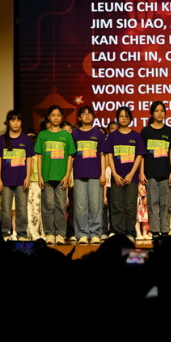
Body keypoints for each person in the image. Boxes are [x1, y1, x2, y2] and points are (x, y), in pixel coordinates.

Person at [34, 105, 75, 244]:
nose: (56, 118)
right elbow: (39, 156)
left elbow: (70, 156)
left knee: (61, 206)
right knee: (48, 206)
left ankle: (60, 234)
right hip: (46, 176)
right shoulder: (43, 135)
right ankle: (50, 233)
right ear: (48, 117)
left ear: (61, 117)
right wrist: (40, 176)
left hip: (61, 177)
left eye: (58, 115)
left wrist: (67, 175)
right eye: (53, 115)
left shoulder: (66, 135)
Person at [105, 106, 145, 239]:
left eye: (126, 116)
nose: (124, 118)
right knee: (116, 205)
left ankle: (130, 232)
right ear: (117, 118)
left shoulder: (136, 136)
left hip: (132, 178)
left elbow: (139, 156)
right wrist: (115, 174)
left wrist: (132, 174)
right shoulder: (112, 136)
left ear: (130, 119)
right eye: (121, 116)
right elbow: (109, 155)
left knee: (130, 206)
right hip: (116, 177)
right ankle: (117, 232)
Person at [0, 109, 34, 241]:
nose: (16, 123)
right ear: (8, 122)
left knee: (22, 208)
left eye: (18, 120)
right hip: (5, 181)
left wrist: (27, 177)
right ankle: (5, 234)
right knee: (5, 209)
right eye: (13, 120)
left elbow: (29, 159)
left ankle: (21, 234)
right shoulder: (1, 140)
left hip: (21, 180)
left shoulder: (26, 139)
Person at [140, 101, 171, 239]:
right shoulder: (145, 131)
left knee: (165, 204)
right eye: (156, 111)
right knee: (152, 203)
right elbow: (142, 154)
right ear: (152, 113)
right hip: (150, 173)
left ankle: (165, 230)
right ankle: (155, 231)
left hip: (166, 173)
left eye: (162, 111)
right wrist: (141, 172)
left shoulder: (169, 131)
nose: (160, 113)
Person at [71, 104, 107, 244]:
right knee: (80, 205)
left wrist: (103, 174)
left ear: (93, 116)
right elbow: (71, 156)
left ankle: (95, 233)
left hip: (95, 174)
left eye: (89, 113)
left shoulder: (98, 134)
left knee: (95, 205)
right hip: (79, 174)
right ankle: (82, 234)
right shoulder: (75, 134)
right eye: (84, 113)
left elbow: (102, 155)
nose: (87, 116)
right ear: (79, 117)